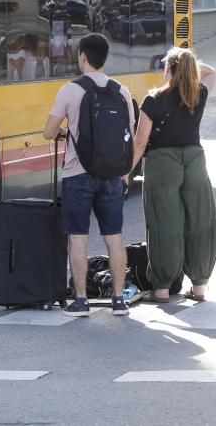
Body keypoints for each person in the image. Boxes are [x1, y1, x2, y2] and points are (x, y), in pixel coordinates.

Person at [42, 33, 135, 317]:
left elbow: (48, 131)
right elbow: (127, 133)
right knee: (114, 237)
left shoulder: (70, 90)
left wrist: (64, 132)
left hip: (77, 175)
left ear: (82, 55)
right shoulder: (122, 91)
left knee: (78, 238)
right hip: (111, 174)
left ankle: (81, 300)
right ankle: (119, 300)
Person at [130, 48, 216, 304]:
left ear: (167, 69)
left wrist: (125, 174)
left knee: (164, 224)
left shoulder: (153, 100)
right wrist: (189, 65)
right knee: (200, 221)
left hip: (162, 163)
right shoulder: (198, 94)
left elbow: (139, 143)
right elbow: (211, 72)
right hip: (194, 161)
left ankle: (161, 289)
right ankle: (199, 287)